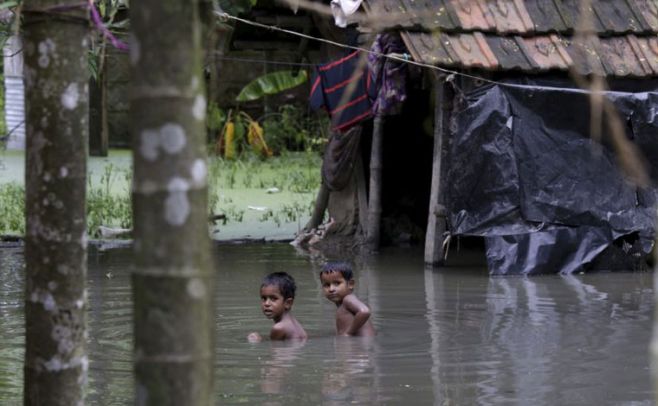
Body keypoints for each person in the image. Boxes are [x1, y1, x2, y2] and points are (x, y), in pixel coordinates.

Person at [248, 272, 307, 342]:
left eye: (273, 299)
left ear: (288, 303)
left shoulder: (279, 328)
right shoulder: (295, 324)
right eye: (264, 298)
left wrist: (258, 341)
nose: (266, 304)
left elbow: (274, 349)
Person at [320, 262, 375, 337]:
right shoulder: (342, 305)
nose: (331, 289)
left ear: (350, 284)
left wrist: (348, 333)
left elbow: (364, 312)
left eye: (337, 283)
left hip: (362, 345)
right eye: (326, 285)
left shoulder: (348, 299)